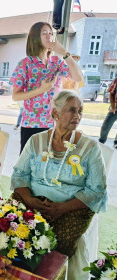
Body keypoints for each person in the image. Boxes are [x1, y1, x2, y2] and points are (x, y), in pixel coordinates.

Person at [11, 90, 107, 259]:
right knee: (10, 229)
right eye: (72, 110)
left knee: (57, 242)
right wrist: (30, 200)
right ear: (55, 112)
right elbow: (20, 175)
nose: (77, 115)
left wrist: (60, 208)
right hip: (34, 199)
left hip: (72, 207)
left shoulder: (90, 147)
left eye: (80, 110)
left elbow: (96, 190)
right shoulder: (36, 140)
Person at [10, 22, 83, 154]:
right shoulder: (25, 64)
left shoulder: (57, 62)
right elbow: (15, 96)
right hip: (31, 124)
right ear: (35, 38)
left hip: (54, 124)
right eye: (44, 33)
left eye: (50, 33)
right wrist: (41, 90)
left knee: (51, 162)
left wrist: (64, 53)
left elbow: (78, 77)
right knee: (28, 163)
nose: (49, 36)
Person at [99, 76, 117, 149]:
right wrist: (113, 107)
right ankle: (101, 141)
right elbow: (111, 93)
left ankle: (116, 143)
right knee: (106, 124)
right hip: (115, 107)